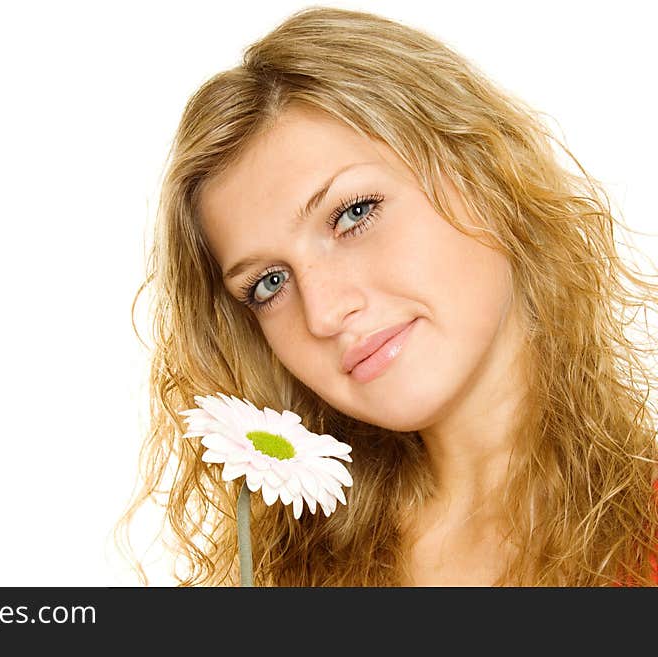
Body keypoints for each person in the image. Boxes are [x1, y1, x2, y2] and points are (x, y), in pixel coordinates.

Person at [115, 6, 658, 586]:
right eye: (269, 284)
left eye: (353, 214)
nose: (323, 314)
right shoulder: (297, 579)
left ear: (483, 172)